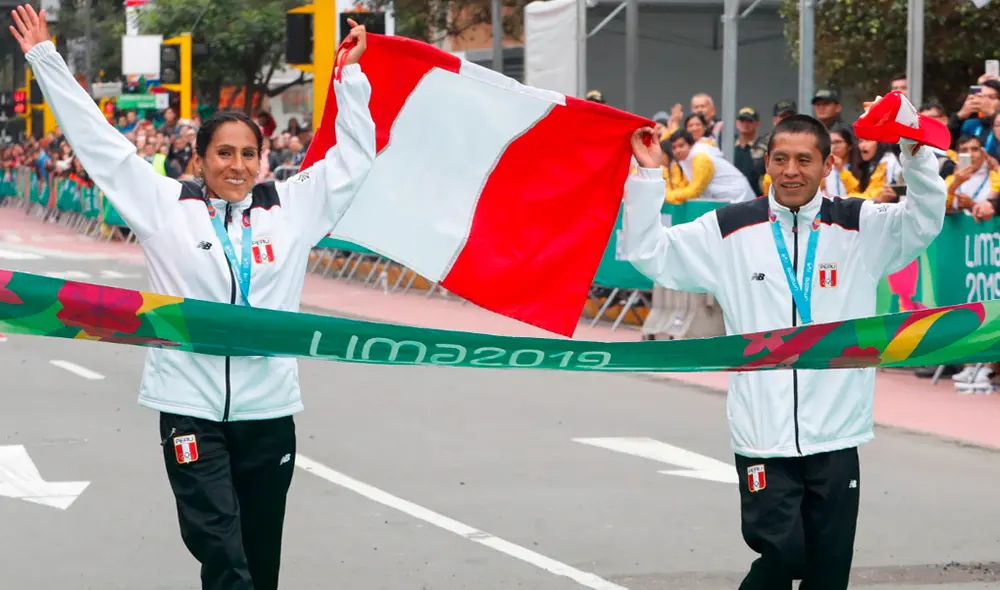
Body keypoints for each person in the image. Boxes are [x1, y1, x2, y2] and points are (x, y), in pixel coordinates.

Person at [10, 4, 376, 589]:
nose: (237, 165)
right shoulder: (164, 207)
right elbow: (101, 146)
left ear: (262, 160)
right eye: (224, 154)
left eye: (248, 154)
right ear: (201, 159)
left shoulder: (293, 209)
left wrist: (350, 78)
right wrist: (45, 59)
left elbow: (355, 161)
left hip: (269, 414)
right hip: (189, 408)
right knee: (221, 549)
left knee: (259, 557)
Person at [624, 112, 946, 588]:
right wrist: (650, 176)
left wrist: (914, 153)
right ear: (767, 164)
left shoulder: (861, 225)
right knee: (783, 555)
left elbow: (924, 220)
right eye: (780, 159)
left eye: (803, 160)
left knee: (828, 573)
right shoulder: (728, 228)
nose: (791, 171)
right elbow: (648, 252)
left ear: (828, 163)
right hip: (762, 434)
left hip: (837, 434)